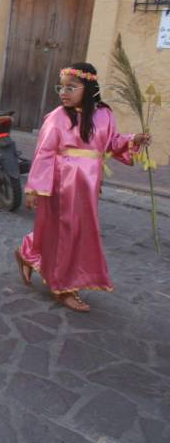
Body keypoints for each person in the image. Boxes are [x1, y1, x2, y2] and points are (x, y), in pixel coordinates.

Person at [14, 63, 151, 312]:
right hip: (61, 183)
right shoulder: (57, 117)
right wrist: (34, 188)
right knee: (67, 231)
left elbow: (111, 143)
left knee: (76, 230)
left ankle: (28, 252)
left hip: (88, 183)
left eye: (71, 87)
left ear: (87, 89)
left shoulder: (104, 114)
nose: (63, 92)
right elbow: (44, 153)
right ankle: (64, 286)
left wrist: (133, 140)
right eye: (61, 87)